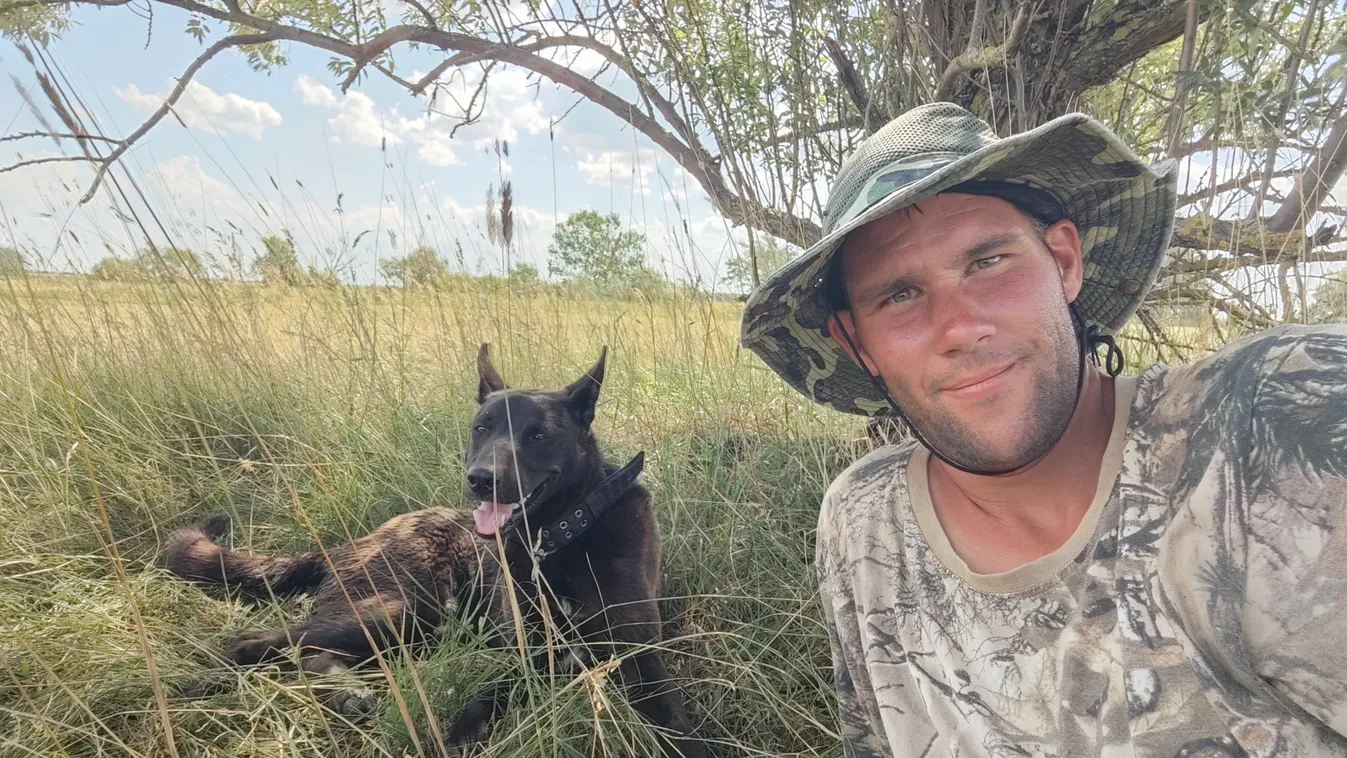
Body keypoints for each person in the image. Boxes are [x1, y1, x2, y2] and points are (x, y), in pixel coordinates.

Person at [740, 102, 1347, 757]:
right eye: (899, 296)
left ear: (1062, 261)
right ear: (856, 342)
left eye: (986, 263)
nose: (959, 326)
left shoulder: (1275, 418)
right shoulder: (863, 522)